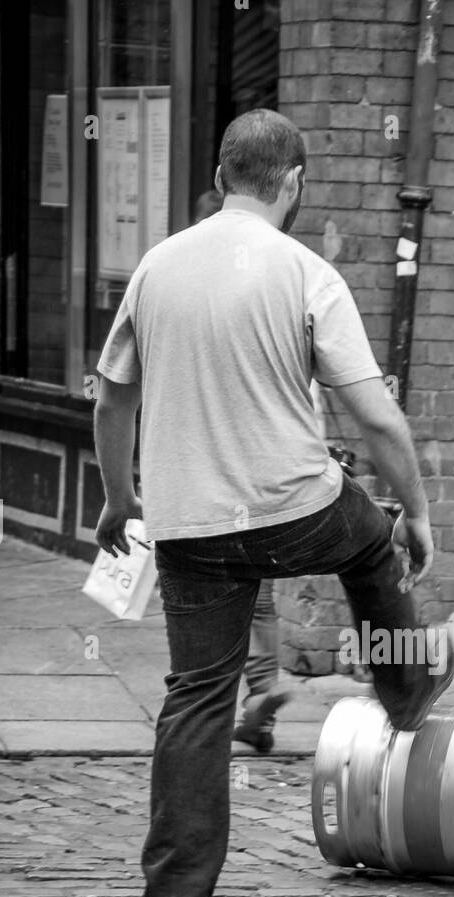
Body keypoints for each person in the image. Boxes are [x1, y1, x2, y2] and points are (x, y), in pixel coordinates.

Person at [93, 109, 454, 897]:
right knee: (371, 544)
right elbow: (377, 417)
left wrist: (119, 500)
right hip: (299, 510)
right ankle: (405, 691)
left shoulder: (155, 267)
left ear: (221, 177)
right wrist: (419, 513)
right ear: (291, 183)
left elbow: (111, 396)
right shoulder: (305, 272)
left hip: (189, 527)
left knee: (197, 697)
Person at [195, 186, 290, 754]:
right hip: (264, 476)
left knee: (209, 599)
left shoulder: (186, 297)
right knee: (260, 595)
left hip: (205, 481)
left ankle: (219, 709)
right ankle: (263, 697)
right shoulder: (272, 293)